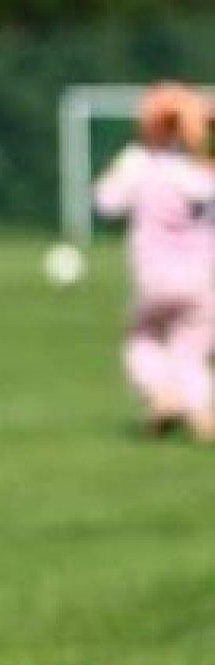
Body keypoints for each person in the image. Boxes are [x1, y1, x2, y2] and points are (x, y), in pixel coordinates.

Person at [93, 82, 215, 440]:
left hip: (154, 277)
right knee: (191, 350)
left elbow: (105, 202)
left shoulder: (141, 163)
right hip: (203, 279)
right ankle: (201, 411)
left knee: (142, 338)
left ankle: (161, 394)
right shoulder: (202, 172)